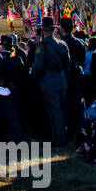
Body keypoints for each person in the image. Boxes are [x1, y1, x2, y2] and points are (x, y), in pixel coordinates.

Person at [30, 18, 69, 147]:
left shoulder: (42, 46)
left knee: (54, 111)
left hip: (48, 80)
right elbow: (67, 63)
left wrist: (34, 76)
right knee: (62, 110)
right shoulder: (62, 44)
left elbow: (38, 66)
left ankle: (58, 138)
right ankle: (63, 135)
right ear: (53, 29)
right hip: (61, 79)